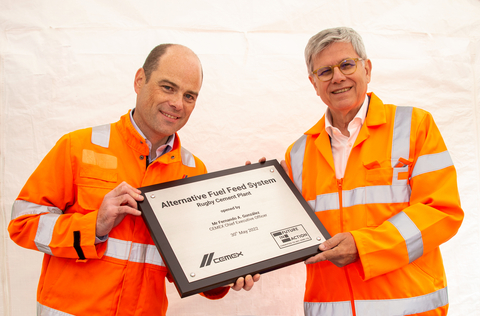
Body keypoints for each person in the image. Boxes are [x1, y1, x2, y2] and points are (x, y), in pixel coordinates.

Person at [8, 43, 258, 316]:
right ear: (140, 80)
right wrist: (94, 225)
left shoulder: (193, 171)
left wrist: (227, 273)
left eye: (189, 95)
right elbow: (23, 224)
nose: (177, 103)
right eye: (168, 87)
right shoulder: (78, 147)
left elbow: (193, 264)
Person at [282, 27, 464, 316]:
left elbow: (441, 211)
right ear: (313, 83)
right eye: (325, 71)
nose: (338, 77)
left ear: (366, 68)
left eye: (346, 64)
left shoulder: (415, 126)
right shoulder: (297, 154)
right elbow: (284, 233)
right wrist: (258, 193)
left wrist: (363, 246)